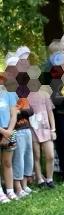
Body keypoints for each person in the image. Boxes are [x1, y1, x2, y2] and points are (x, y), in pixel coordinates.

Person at [28, 86, 56, 188]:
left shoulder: (45, 94)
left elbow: (50, 113)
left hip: (45, 128)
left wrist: (53, 130)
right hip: (32, 128)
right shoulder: (24, 95)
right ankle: (40, 179)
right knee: (37, 156)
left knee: (50, 155)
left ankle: (50, 179)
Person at [0, 73, 18, 201]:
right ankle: (0, 193)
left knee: (7, 162)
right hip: (1, 130)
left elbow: (14, 115)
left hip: (10, 130)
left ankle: (10, 191)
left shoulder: (10, 94)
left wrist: (9, 132)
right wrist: (2, 131)